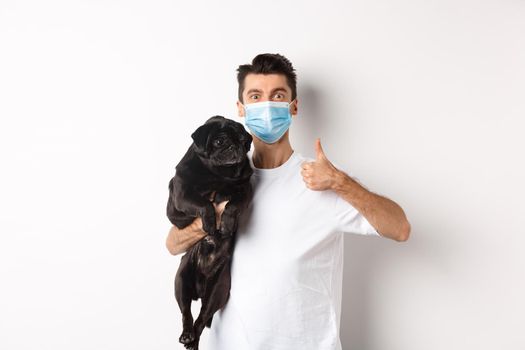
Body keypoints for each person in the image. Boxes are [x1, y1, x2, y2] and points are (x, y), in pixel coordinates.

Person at [166, 53, 411, 350]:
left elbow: (399, 228)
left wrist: (340, 183)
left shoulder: (322, 179)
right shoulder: (221, 181)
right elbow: (173, 244)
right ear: (241, 109)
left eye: (277, 95)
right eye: (256, 96)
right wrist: (212, 218)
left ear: (293, 106)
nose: (267, 106)